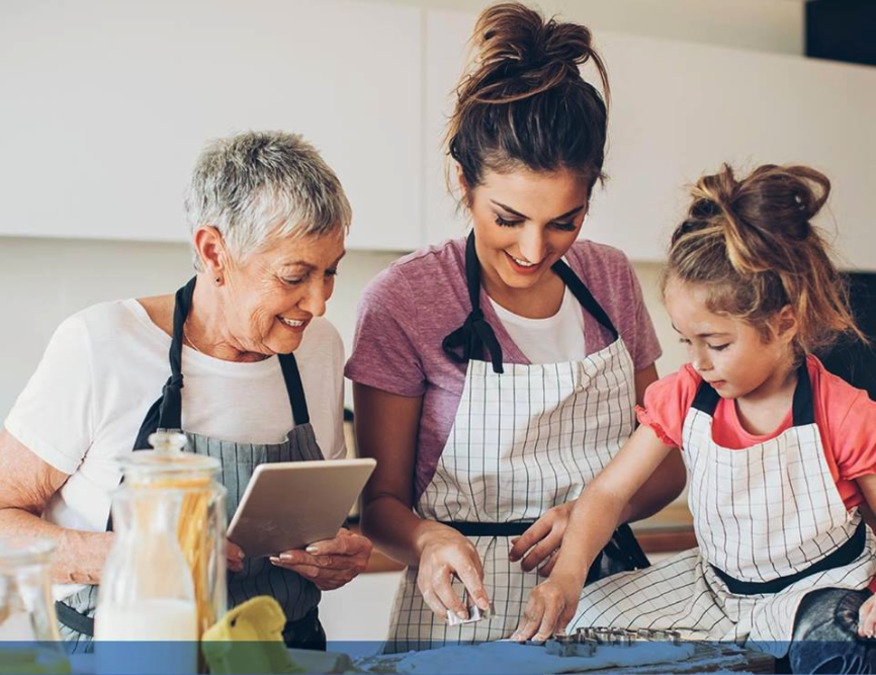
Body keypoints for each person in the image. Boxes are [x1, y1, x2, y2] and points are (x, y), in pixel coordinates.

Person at [345, 2, 685, 651]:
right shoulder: (407, 299)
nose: (534, 247)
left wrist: (592, 515)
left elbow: (666, 463)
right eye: (508, 218)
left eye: (565, 220)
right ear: (462, 181)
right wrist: (427, 537)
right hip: (463, 612)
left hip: (605, 594)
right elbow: (381, 503)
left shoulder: (610, 280)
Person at [0, 131, 372, 652]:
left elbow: (320, 522)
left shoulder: (319, 348)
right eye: (294, 276)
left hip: (283, 657)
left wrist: (337, 557)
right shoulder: (101, 344)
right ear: (214, 251)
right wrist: (137, 556)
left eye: (330, 272)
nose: (318, 303)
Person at [513, 163, 876, 673]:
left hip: (819, 594)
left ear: (784, 322)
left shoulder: (843, 412)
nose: (699, 361)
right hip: (717, 589)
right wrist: (567, 579)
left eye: (718, 343)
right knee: (589, 618)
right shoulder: (686, 394)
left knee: (839, 643)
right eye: (688, 341)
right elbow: (609, 494)